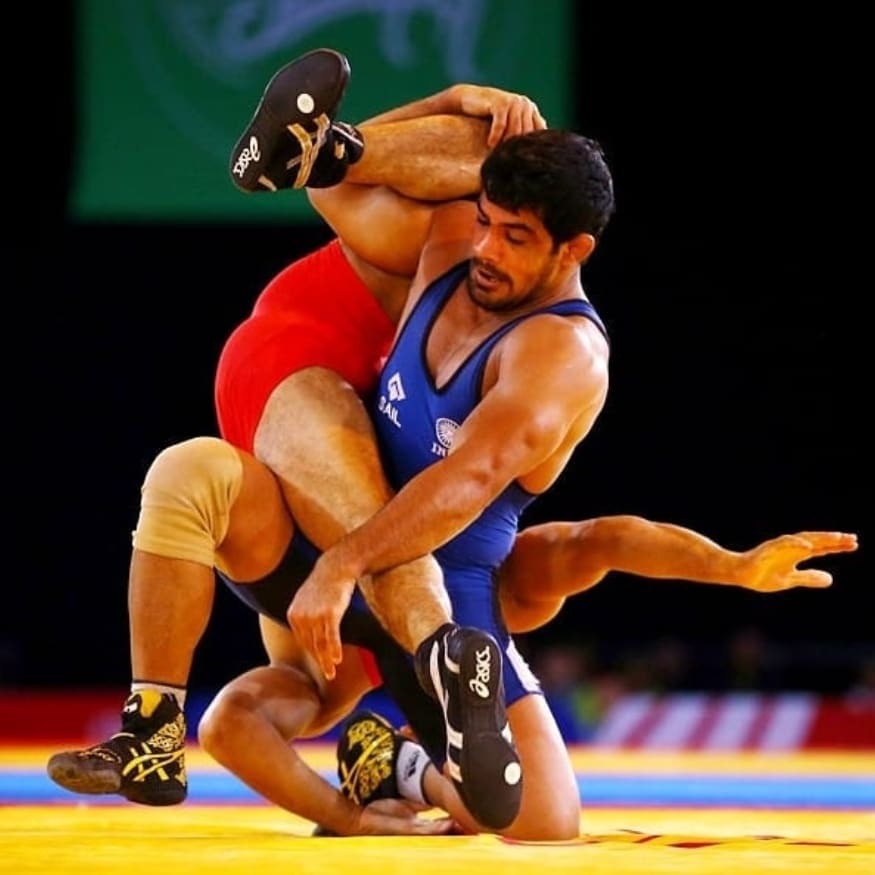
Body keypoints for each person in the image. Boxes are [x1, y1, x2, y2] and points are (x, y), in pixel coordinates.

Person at [45, 52, 858, 837]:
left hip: (420, 590)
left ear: (574, 251)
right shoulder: (450, 248)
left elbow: (474, 487)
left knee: (544, 819)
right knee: (185, 470)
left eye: (514, 238)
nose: (487, 249)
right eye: (488, 222)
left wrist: (344, 569)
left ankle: (401, 761)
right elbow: (324, 183)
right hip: (336, 539)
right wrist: (435, 109)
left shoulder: (558, 356)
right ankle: (153, 726)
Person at [197, 521, 856, 837]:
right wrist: (349, 818)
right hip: (358, 618)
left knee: (506, 806)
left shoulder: (500, 572)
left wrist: (732, 565)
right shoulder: (330, 650)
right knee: (538, 822)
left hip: (397, 600)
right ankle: (398, 764)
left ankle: (398, 763)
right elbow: (227, 726)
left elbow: (604, 541)